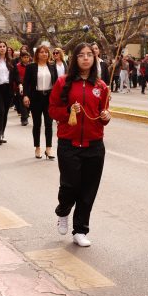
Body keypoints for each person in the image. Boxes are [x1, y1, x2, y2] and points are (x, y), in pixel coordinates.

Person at [48, 43, 111, 247]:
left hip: (94, 145)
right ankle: (63, 210)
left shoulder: (101, 86)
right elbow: (52, 110)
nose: (86, 58)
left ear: (94, 58)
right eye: (81, 55)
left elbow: (103, 114)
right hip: (69, 144)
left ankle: (80, 230)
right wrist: (69, 112)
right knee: (70, 185)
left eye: (89, 55)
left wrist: (106, 116)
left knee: (88, 190)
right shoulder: (63, 82)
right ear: (75, 59)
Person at [23, 45, 58, 159]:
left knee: (49, 124)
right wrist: (26, 96)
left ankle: (48, 148)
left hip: (49, 97)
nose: (44, 54)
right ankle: (37, 147)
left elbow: (56, 83)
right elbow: (26, 83)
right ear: (37, 54)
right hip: (36, 97)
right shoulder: (31, 67)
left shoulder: (52, 66)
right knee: (37, 124)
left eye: (46, 52)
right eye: (42, 52)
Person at [14, 51, 31, 126]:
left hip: (30, 87)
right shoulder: (17, 66)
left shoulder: (31, 66)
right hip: (20, 87)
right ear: (21, 58)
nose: (26, 59)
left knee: (29, 103)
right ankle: (24, 119)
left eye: (27, 57)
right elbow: (16, 77)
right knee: (22, 103)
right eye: (24, 57)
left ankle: (27, 113)